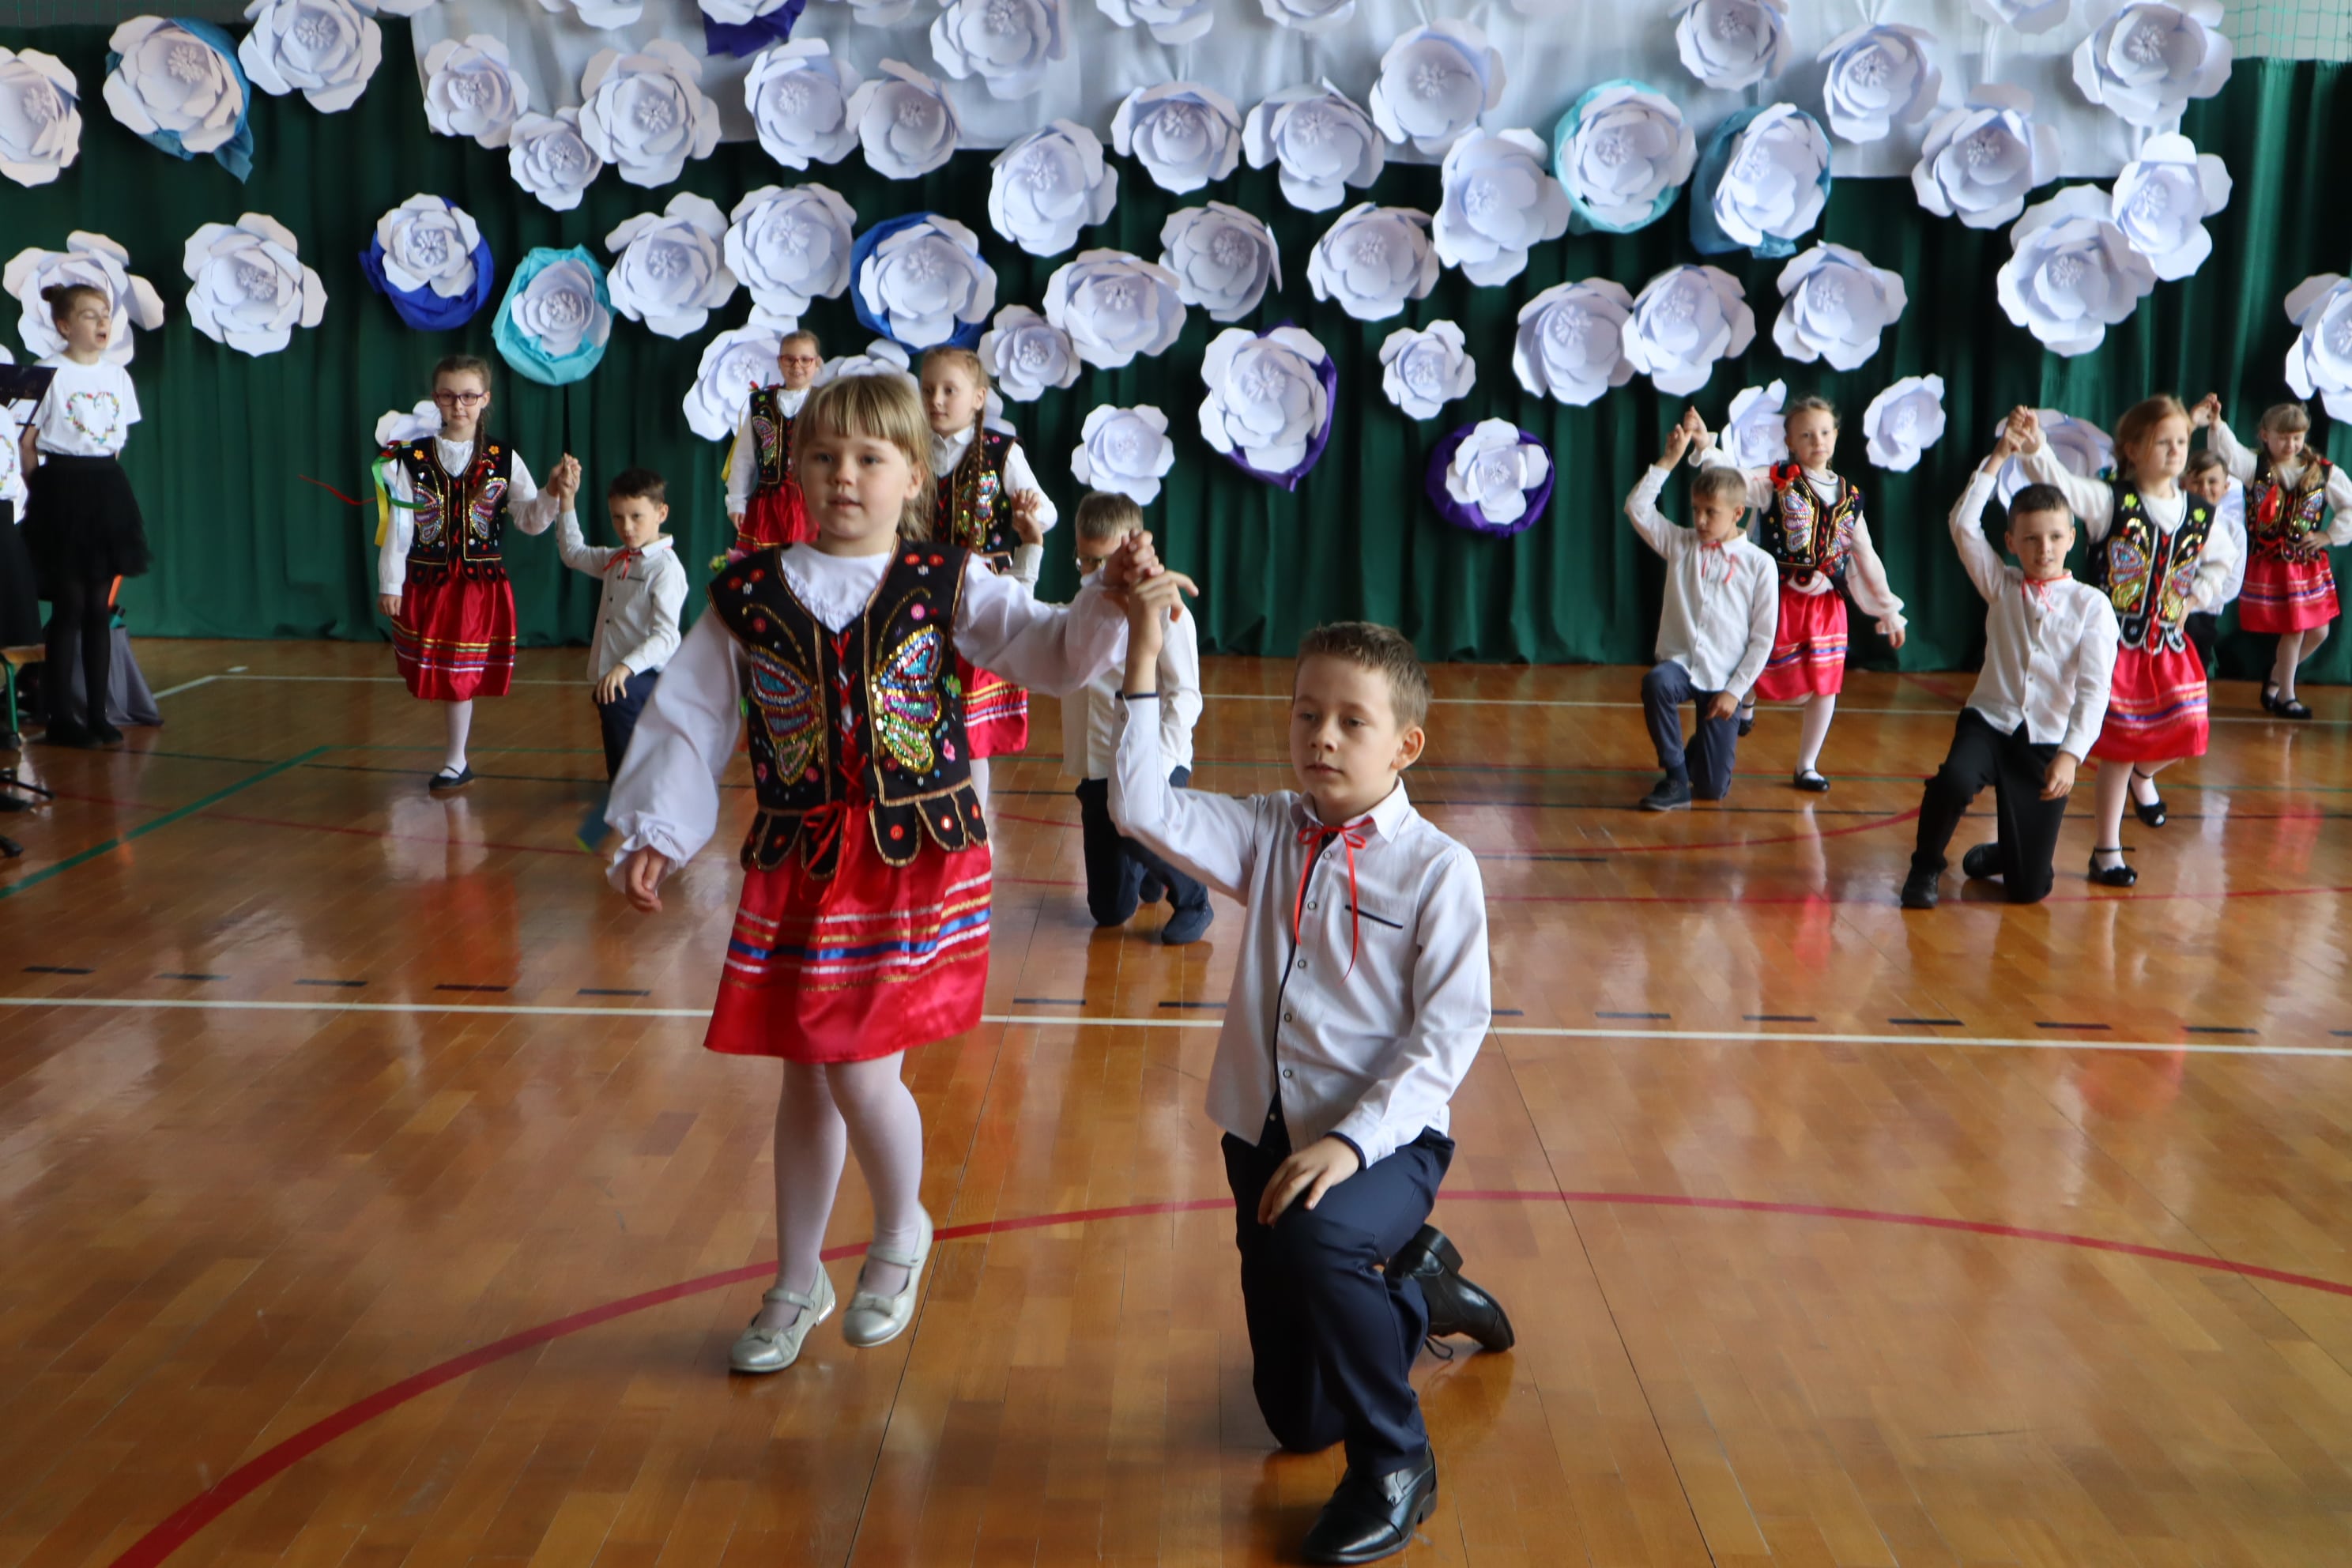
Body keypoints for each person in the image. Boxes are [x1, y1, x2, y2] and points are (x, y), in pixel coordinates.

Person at [605, 374, 1178, 1378]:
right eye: (825, 456)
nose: (845, 476)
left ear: (914, 474)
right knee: (806, 1074)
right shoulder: (748, 591)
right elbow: (691, 714)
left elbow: (1048, 650)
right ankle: (796, 1280)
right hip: (799, 863)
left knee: (860, 1069)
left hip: (912, 861)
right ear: (797, 468)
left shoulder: (945, 580)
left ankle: (903, 1225)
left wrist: (1106, 597)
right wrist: (658, 825)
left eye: (871, 458)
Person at [1110, 612, 1514, 1567]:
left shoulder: (1440, 868)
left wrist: (1350, 1142)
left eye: (1351, 721)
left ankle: (1397, 1462)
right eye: (1306, 714)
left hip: (1386, 1144)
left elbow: (1448, 1036)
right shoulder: (1267, 830)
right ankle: (1414, 1291)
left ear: (1406, 744)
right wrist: (1142, 652)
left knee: (1317, 1235)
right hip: (1263, 1136)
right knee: (1297, 1419)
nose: (1321, 736)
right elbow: (1137, 805)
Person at [1902, 413, 2119, 910]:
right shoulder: (2002, 585)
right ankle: (1926, 864)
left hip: (2044, 739)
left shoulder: (2092, 606)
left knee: (2028, 891)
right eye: (2031, 539)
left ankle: (2011, 852)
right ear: (2012, 542)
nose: (2044, 549)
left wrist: (2071, 754)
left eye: (2055, 538)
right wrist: (1999, 456)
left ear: (2072, 539)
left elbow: (2094, 690)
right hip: (1989, 723)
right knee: (1954, 779)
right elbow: (1962, 524)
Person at [2018, 397, 2237, 887]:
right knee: (2119, 751)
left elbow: (2222, 561)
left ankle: (2145, 776)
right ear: (2133, 450)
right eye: (2163, 442)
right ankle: (2107, 850)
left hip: (2169, 647)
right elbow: (2061, 487)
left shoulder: (2200, 513)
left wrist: (2195, 597)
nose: (2176, 451)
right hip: (2115, 650)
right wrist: (2035, 448)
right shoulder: (2111, 501)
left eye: (2182, 442)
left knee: (2189, 731)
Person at [376, 355, 576, 793]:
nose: (459, 405)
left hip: (477, 587)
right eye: (449, 396)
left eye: (469, 396)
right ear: (436, 399)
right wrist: (391, 582)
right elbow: (401, 525)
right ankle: (456, 760)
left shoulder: (502, 458)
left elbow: (530, 519)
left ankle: (456, 760)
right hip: (429, 582)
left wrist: (551, 491)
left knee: (460, 674)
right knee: (443, 672)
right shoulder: (413, 459)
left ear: (485, 399)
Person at [1691, 396, 1907, 790]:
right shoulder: (1777, 481)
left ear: (1836, 436)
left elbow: (1866, 556)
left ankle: (1807, 764)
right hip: (1777, 597)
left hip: (1827, 606)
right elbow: (1733, 483)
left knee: (1827, 683)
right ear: (1789, 440)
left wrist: (1888, 610)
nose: (1817, 441)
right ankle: (1747, 698)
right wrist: (1708, 448)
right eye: (1806, 434)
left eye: (1824, 432)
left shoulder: (1850, 496)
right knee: (1758, 660)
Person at [1063, 492, 1212, 944]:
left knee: (1135, 825)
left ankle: (1194, 897)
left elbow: (1185, 697)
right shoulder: (1086, 603)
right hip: (1098, 767)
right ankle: (1148, 872)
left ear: (1132, 549)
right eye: (1085, 561)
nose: (1094, 573)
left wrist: (1156, 769)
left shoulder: (1168, 611)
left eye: (1103, 561)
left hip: (1154, 762)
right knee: (1109, 911)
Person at [1625, 409, 1779, 812]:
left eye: (1711, 512)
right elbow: (1638, 509)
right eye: (1696, 509)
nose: (1700, 519)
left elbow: (1763, 638)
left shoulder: (1760, 564)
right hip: (1681, 666)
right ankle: (1675, 777)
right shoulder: (1681, 544)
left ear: (1738, 513)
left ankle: (1704, 747)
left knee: (1712, 789)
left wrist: (1735, 691)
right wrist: (1669, 460)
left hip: (1723, 678)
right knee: (1657, 682)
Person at [919, 347, 1053, 808]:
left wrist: (1027, 516)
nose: (936, 400)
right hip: (919, 595)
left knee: (970, 724)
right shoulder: (910, 446)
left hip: (980, 600)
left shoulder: (1001, 452)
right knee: (918, 712)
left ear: (978, 398)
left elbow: (1047, 512)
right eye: (928, 390)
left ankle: (976, 823)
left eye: (949, 390)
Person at [21, 283, 148, 748]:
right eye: (89, 315)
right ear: (64, 325)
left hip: (105, 490)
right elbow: (26, 443)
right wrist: (43, 491)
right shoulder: (46, 373)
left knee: (98, 607)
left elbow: (114, 444)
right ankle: (60, 718)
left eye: (105, 314)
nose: (101, 322)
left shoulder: (117, 376)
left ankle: (97, 714)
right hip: (62, 489)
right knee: (70, 605)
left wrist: (101, 488)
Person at [2196, 395, 2352, 718]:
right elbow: (2229, 453)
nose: (2291, 445)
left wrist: (2328, 536)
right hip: (2274, 561)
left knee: (2319, 632)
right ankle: (2287, 696)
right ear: (2265, 435)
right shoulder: (2256, 466)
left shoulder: (2322, 471)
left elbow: (2349, 504)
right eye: (2283, 437)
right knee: (2295, 629)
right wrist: (2217, 423)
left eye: (2297, 437)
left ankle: (2277, 677)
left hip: (2307, 564)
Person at [555, 467, 685, 780]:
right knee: (611, 699)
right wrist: (567, 499)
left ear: (661, 513)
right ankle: (625, 784)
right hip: (621, 675)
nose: (626, 527)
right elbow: (573, 553)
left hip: (651, 675)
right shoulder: (618, 559)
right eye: (617, 517)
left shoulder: (665, 568)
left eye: (636, 517)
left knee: (616, 695)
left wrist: (625, 668)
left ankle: (634, 784)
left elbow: (667, 637)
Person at [726, 330, 823, 556]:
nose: (797, 366)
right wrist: (737, 501)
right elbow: (744, 458)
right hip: (768, 505)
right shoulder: (761, 404)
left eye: (805, 359)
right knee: (766, 567)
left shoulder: (825, 402)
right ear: (780, 361)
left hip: (812, 504)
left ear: (817, 363)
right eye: (789, 359)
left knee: (807, 563)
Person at [2179, 448, 2246, 679]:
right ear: (2183, 484)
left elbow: (2231, 584)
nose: (2204, 488)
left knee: (2194, 679)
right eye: (2197, 481)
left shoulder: (2234, 531)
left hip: (2203, 618)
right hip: (2165, 614)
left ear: (2226, 487)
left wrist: (2191, 605)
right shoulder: (2173, 521)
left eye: (2212, 481)